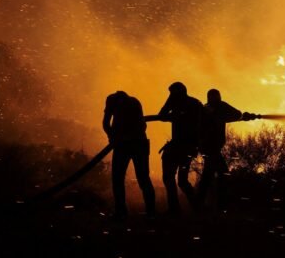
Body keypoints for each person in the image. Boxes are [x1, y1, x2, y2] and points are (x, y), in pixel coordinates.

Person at [102, 90, 156, 220]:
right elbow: (106, 123)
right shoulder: (122, 101)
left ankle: (146, 212)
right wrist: (112, 136)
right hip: (130, 144)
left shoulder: (130, 102)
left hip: (135, 143)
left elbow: (141, 126)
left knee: (135, 178)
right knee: (126, 178)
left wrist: (118, 137)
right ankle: (126, 211)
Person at [196, 89, 251, 211]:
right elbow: (236, 114)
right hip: (211, 148)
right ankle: (220, 205)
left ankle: (200, 205)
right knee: (223, 174)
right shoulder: (216, 108)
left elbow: (235, 115)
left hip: (208, 148)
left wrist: (243, 116)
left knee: (208, 176)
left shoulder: (206, 109)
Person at [156, 82, 202, 214]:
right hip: (187, 148)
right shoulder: (195, 103)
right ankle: (196, 208)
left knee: (169, 178)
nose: (170, 95)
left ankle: (176, 209)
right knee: (181, 181)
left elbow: (161, 115)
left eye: (172, 93)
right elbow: (163, 116)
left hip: (180, 147)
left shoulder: (183, 104)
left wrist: (170, 103)